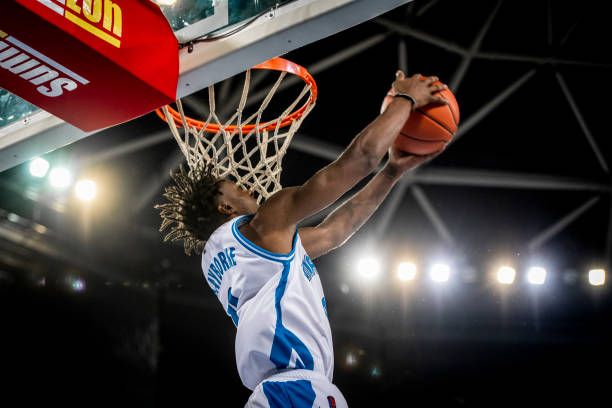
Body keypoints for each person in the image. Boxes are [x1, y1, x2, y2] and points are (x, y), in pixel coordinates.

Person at [155, 71, 448, 407]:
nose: (247, 186)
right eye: (236, 186)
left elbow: (335, 232)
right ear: (223, 206)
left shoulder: (225, 258)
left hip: (287, 390)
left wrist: (392, 172)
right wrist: (406, 99)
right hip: (293, 391)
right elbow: (361, 159)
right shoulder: (266, 224)